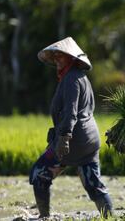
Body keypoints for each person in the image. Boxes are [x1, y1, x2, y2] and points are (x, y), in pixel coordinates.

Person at [29, 37, 113, 218]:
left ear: (72, 58)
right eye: (55, 57)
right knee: (94, 185)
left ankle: (44, 217)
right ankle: (111, 218)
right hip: (89, 140)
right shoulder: (79, 77)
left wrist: (64, 138)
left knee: (39, 174)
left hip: (75, 139)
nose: (57, 59)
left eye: (61, 56)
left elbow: (71, 112)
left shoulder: (71, 79)